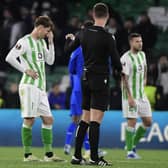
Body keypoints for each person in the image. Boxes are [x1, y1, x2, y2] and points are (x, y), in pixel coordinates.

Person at [64, 3, 122, 166]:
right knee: (95, 121)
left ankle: (76, 156)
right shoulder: (108, 37)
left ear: (93, 15)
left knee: (85, 119)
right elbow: (117, 63)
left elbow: (67, 51)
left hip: (85, 78)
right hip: (100, 80)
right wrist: (119, 73)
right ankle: (94, 158)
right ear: (107, 17)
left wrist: (69, 40)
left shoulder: (82, 33)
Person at [6, 16, 65, 162]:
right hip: (29, 86)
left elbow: (50, 61)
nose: (47, 33)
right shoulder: (24, 41)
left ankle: (49, 155)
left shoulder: (41, 42)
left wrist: (50, 42)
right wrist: (25, 69)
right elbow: (10, 57)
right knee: (30, 119)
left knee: (48, 119)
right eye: (46, 31)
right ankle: (27, 155)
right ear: (39, 27)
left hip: (40, 88)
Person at [120, 33, 152, 159]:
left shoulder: (142, 55)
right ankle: (130, 152)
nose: (140, 43)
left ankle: (131, 144)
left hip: (142, 95)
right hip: (130, 96)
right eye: (137, 41)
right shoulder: (125, 58)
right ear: (131, 43)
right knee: (132, 121)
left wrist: (144, 79)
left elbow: (145, 67)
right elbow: (124, 79)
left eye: (141, 41)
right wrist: (130, 97)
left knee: (148, 122)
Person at [64, 21, 93, 157]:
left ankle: (68, 144)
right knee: (85, 120)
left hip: (75, 87)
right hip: (86, 86)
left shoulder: (76, 49)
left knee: (76, 120)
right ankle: (88, 150)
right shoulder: (91, 48)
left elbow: (70, 69)